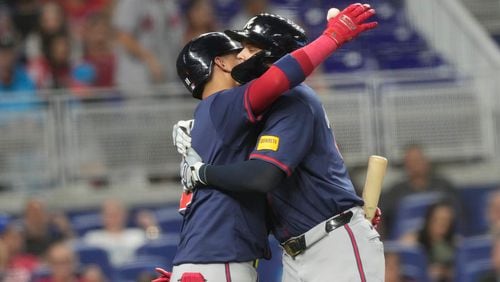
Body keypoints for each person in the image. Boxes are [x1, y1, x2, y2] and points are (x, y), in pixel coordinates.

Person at [162, 4, 379, 281]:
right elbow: (254, 184)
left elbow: (262, 177)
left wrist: (349, 208)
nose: (241, 54)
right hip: (277, 254)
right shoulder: (231, 108)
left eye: (251, 48)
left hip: (328, 243)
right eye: (238, 50)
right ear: (219, 63)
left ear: (274, 56)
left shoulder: (292, 99)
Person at [380, 144, 458, 239]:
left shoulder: (444, 187)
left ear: (426, 161)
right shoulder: (395, 192)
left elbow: (459, 216)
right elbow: (383, 221)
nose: (415, 164)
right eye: (411, 161)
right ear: (405, 164)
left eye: (418, 160)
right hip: (405, 242)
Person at [112, 0, 183, 93]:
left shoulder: (170, 3)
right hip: (138, 80)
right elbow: (123, 36)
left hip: (169, 77)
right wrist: (149, 58)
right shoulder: (131, 2)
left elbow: (178, 35)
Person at [399, 201, 458, 282]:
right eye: (436, 219)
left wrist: (445, 272)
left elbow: (460, 273)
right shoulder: (411, 242)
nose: (441, 225)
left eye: (446, 221)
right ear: (428, 220)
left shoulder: (456, 244)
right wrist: (425, 272)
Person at [83, 199, 145, 267]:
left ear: (125, 216)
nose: (113, 218)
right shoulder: (93, 238)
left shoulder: (137, 235)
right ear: (102, 216)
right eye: (109, 215)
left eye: (117, 214)